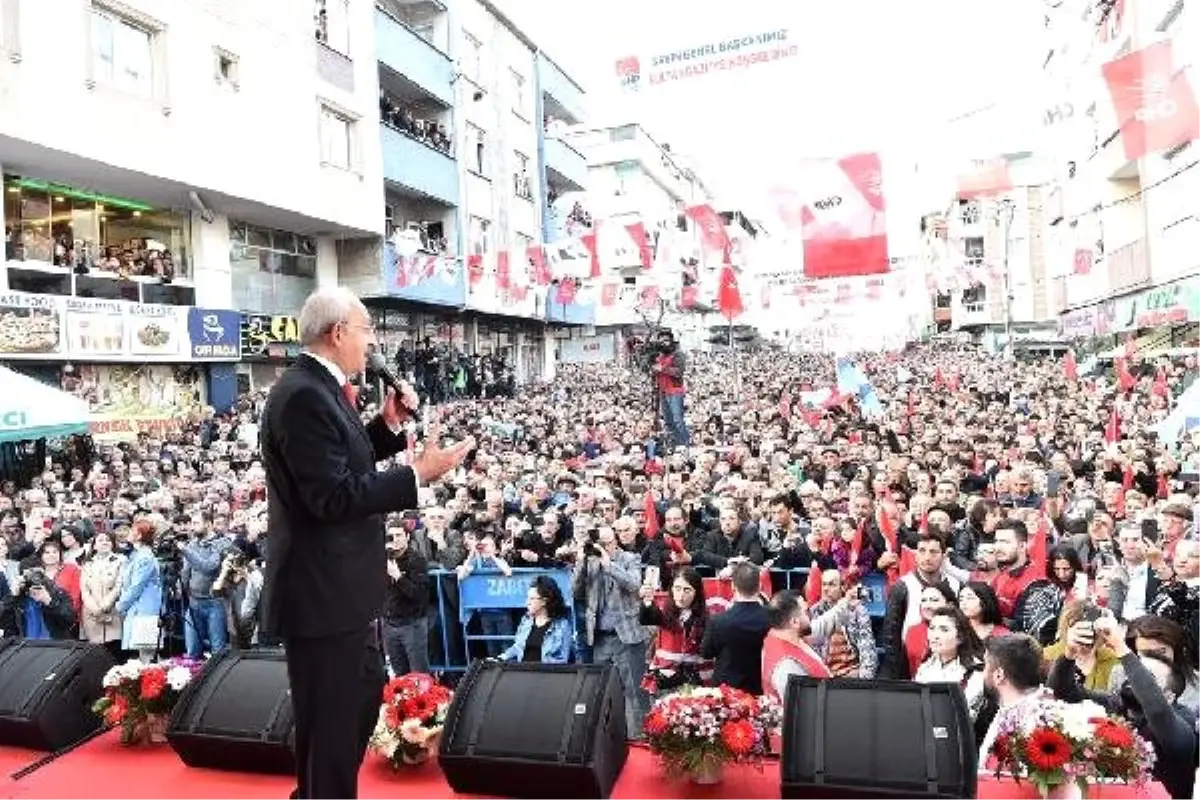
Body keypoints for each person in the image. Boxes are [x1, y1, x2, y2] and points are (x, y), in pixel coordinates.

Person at [260, 287, 474, 800]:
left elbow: (342, 459)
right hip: (321, 595)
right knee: (330, 732)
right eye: (366, 330)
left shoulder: (321, 389)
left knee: (355, 705)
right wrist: (415, 474)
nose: (371, 341)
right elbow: (331, 496)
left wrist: (385, 426)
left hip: (343, 594)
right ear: (337, 334)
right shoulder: (303, 395)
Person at [699, 562, 770, 693]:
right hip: (759, 689)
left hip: (726, 691)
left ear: (733, 586)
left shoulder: (718, 621)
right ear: (760, 586)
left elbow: (705, 652)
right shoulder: (772, 619)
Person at [499, 574, 573, 663]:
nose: (527, 602)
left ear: (544, 601)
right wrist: (502, 657)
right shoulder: (526, 620)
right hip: (521, 671)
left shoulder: (562, 626)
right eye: (527, 598)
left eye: (532, 599)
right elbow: (517, 647)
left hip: (546, 674)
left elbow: (562, 660)